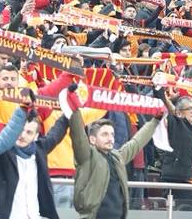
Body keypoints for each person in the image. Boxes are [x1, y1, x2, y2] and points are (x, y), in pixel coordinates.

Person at [68, 85, 160, 219]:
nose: (110, 138)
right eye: (104, 134)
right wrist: (74, 109)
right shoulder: (87, 156)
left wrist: (156, 120)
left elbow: (137, 142)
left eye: (112, 134)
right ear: (92, 139)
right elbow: (78, 135)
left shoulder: (117, 157)